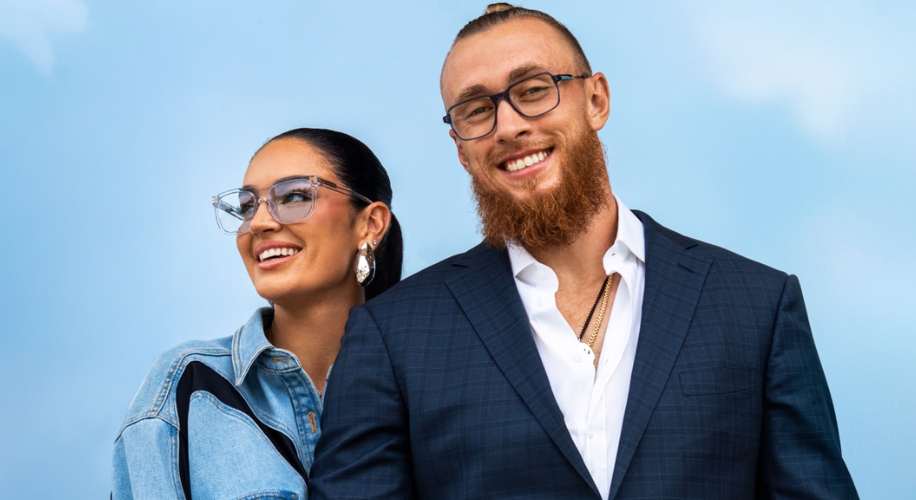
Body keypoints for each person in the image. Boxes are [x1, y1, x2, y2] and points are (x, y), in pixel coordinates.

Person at [310, 4, 857, 499]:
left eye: (533, 89)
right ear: (459, 148)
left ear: (596, 100)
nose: (510, 126)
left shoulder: (756, 304)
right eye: (476, 111)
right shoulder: (392, 333)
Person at [112, 128, 402, 499]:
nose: (260, 223)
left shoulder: (425, 376)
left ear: (370, 223)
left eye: (295, 196)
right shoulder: (186, 386)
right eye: (248, 206)